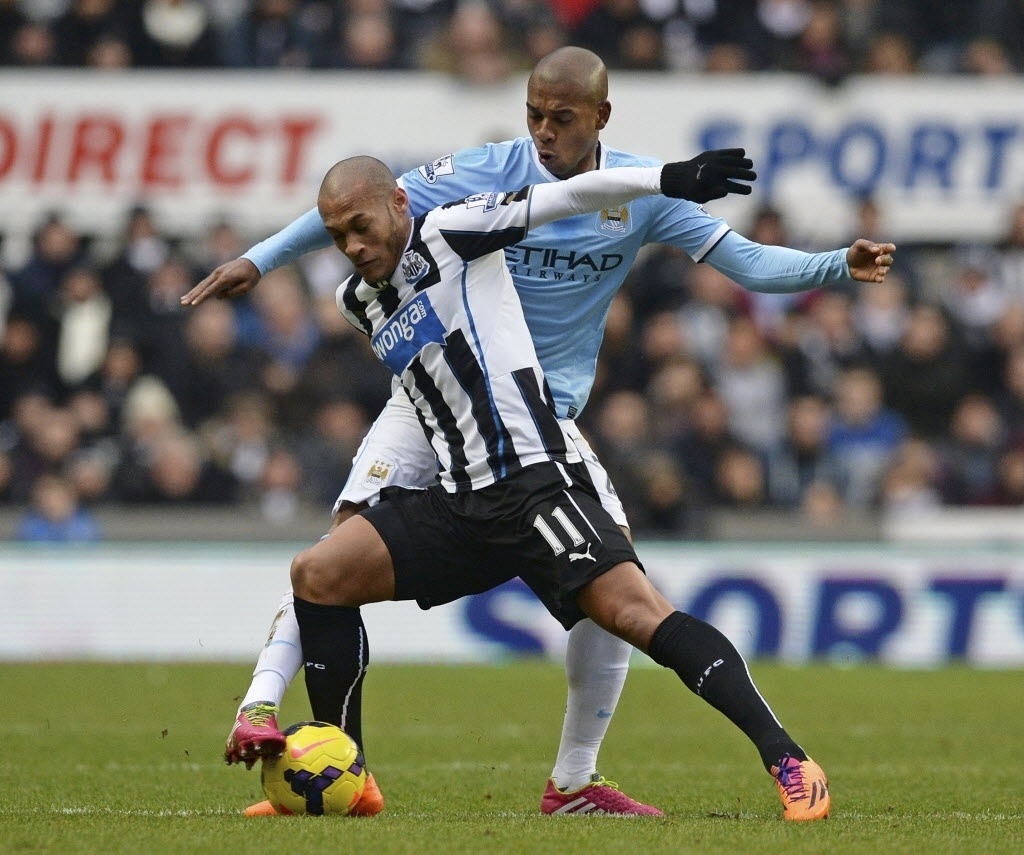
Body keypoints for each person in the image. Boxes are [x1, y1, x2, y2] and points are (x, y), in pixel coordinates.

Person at [183, 46, 893, 817]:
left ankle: (624, 775)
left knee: (628, 603)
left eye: (561, 117)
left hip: (537, 441)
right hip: (443, 437)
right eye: (534, 116)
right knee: (323, 565)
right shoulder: (377, 277)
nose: (544, 131)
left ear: (599, 117)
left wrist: (800, 249)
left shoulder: (470, 225)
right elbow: (346, 205)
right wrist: (260, 259)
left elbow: (616, 215)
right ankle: (323, 758)